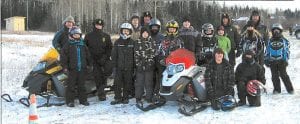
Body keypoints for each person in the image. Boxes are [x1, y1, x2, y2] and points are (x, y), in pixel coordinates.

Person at [60, 27, 92, 107]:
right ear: (71, 35)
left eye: (78, 35)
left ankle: (83, 100)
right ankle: (70, 101)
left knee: (82, 85)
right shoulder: (68, 45)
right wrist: (65, 67)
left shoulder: (83, 45)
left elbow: (88, 56)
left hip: (82, 68)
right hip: (72, 69)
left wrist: (90, 64)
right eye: (75, 35)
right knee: (71, 86)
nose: (77, 36)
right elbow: (63, 57)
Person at [84, 19, 112, 101]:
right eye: (97, 25)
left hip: (104, 58)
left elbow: (109, 48)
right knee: (97, 75)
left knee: (107, 71)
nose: (99, 26)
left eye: (100, 25)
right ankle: (101, 93)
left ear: (102, 26)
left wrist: (105, 57)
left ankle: (104, 88)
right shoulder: (88, 36)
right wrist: (89, 58)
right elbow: (85, 48)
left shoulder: (106, 36)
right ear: (94, 25)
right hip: (93, 59)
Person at [265, 23, 294, 94]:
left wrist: (285, 60)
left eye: (278, 31)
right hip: (272, 61)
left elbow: (286, 51)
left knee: (284, 75)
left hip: (281, 60)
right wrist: (266, 59)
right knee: (274, 76)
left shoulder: (284, 41)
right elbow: (267, 51)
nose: (276, 32)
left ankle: (290, 89)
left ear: (280, 31)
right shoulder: (270, 41)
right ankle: (277, 89)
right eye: (274, 31)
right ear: (272, 32)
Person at [111, 23, 135, 105]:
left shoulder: (132, 42)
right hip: (119, 67)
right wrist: (114, 67)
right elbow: (114, 55)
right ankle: (117, 97)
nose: (125, 32)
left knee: (127, 83)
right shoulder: (117, 42)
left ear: (130, 32)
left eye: (127, 31)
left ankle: (125, 97)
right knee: (117, 83)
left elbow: (135, 56)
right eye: (124, 30)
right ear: (121, 31)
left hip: (129, 67)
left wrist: (134, 67)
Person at [134, 27, 156, 104]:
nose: (145, 34)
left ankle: (149, 97)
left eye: (146, 33)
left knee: (148, 82)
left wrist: (149, 63)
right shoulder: (137, 42)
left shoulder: (152, 42)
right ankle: (138, 97)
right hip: (140, 66)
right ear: (141, 33)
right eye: (143, 33)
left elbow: (152, 54)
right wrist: (139, 64)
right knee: (139, 82)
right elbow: (136, 54)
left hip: (149, 66)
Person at [149, 18, 165, 95]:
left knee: (160, 76)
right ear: (150, 27)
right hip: (150, 59)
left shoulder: (162, 37)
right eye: (153, 27)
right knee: (151, 76)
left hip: (160, 59)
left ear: (159, 28)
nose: (154, 29)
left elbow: (165, 48)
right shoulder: (147, 36)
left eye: (156, 27)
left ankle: (160, 91)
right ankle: (151, 92)